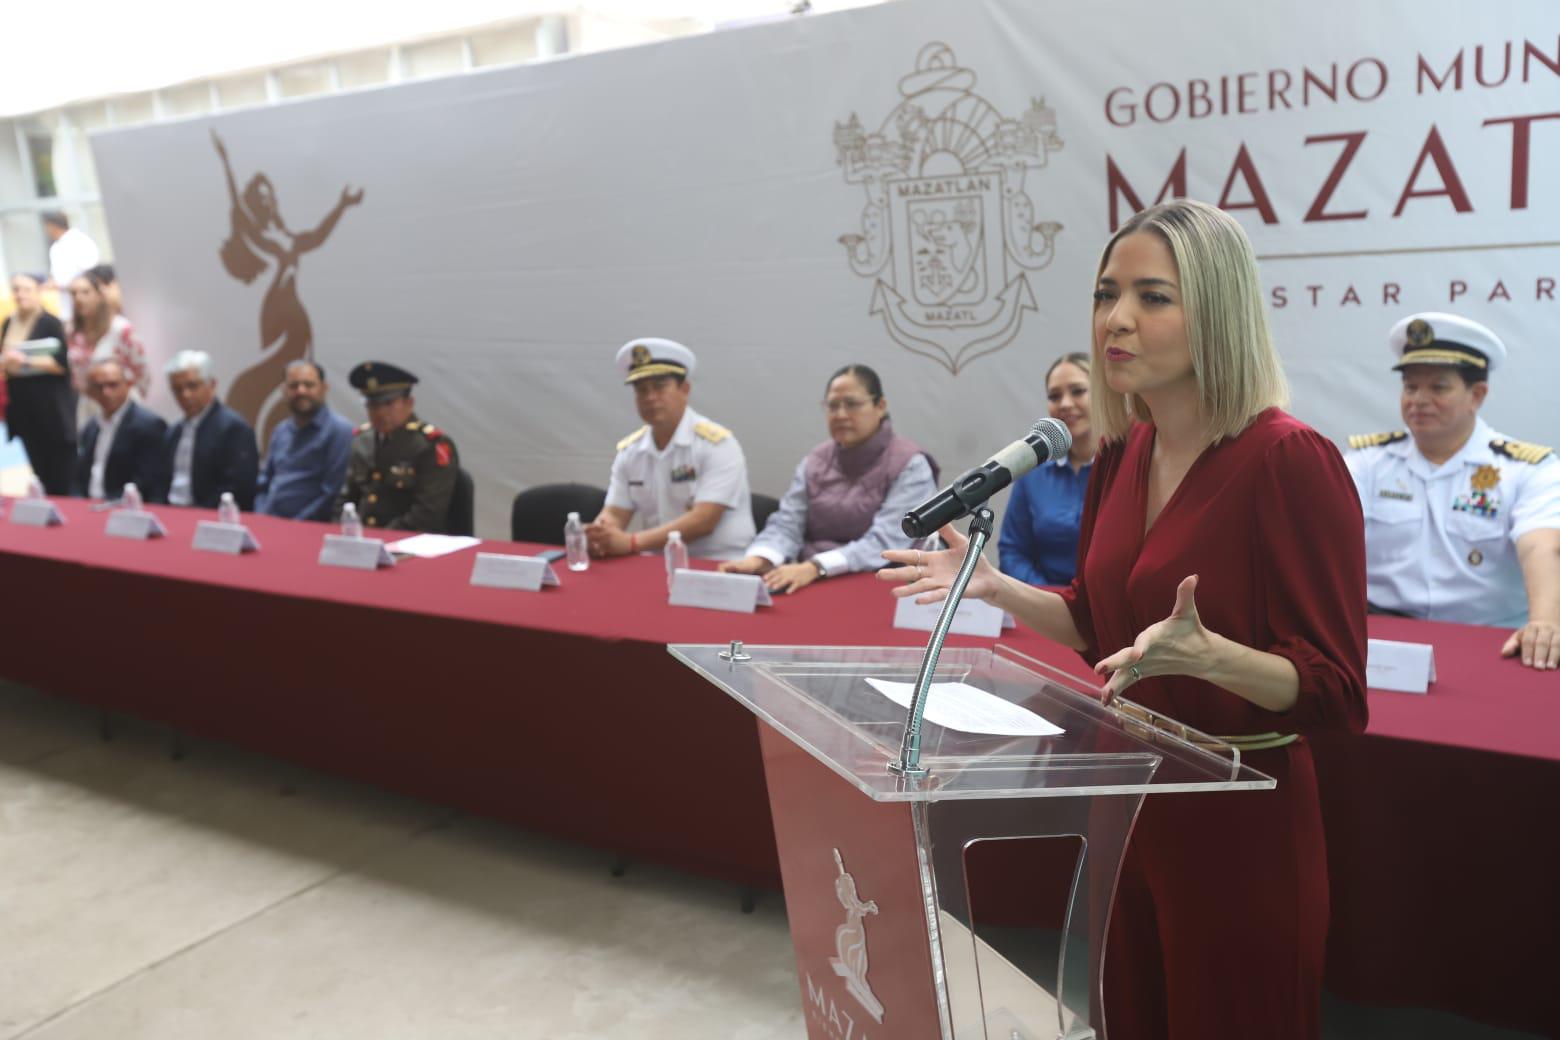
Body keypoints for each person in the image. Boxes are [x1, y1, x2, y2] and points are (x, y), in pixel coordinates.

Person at [881, 199, 1367, 1040]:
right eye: (1108, 294)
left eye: (1153, 297)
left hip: (1236, 817)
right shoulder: (1125, 451)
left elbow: (1335, 691)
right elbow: (1096, 623)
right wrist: (993, 587)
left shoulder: (1288, 459)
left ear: (1216, 310)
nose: (1117, 319)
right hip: (1128, 796)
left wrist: (1213, 659)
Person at [1345, 313, 1559, 670]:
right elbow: (1323, 539)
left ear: (1477, 395)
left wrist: (1545, 622)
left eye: (1438, 387)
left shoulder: (1528, 468)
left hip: (1488, 641)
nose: (1418, 399)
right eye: (1411, 387)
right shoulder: (1367, 462)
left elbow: (1542, 545)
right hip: (1380, 639)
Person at [718, 364, 936, 593]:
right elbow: (787, 523)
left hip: (885, 584)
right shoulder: (815, 461)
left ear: (880, 406)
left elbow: (885, 542)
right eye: (833, 406)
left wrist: (817, 566)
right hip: (810, 581)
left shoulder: (911, 464)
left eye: (852, 404)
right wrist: (760, 558)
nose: (841, 414)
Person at [586, 338, 754, 560]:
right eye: (642, 390)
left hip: (717, 563)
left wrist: (631, 542)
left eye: (660, 387)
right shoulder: (630, 451)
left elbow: (704, 521)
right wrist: (600, 533)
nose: (650, 398)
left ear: (685, 389)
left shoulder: (717, 444)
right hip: (656, 562)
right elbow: (616, 512)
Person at [999, 351, 1096, 584]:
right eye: (1054, 396)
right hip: (1046, 609)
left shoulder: (1131, 464)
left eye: (1078, 391)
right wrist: (1049, 597)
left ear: (1103, 393)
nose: (1065, 404)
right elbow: (1012, 552)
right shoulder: (1033, 471)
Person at [334, 361, 459, 531]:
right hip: (363, 539)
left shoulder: (430, 444)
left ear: (409, 403)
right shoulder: (363, 440)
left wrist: (382, 539)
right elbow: (347, 498)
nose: (380, 412)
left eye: (389, 403)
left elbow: (426, 514)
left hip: (410, 543)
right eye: (373, 405)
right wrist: (340, 531)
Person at [1, 273, 75, 494]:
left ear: (38, 291)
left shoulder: (50, 322)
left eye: (26, 289)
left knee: (60, 464)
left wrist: (26, 360)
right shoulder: (8, 323)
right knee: (37, 462)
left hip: (50, 405)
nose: (21, 294)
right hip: (22, 406)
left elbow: (63, 364)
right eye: (16, 289)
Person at [255, 359, 354, 522]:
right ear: (284, 390)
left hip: (310, 528)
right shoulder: (280, 430)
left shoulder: (340, 431)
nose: (301, 391)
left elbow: (331, 494)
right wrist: (261, 515)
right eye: (293, 386)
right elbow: (265, 482)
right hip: (270, 522)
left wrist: (296, 525)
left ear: (324, 388)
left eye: (309, 385)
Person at [162, 350, 260, 511]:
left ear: (212, 385)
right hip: (171, 513)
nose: (185, 395)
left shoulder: (233, 429)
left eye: (192, 386)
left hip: (208, 515)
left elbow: (239, 489)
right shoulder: (173, 432)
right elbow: (161, 482)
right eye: (177, 389)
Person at [73, 359, 168, 501]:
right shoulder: (91, 427)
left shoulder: (149, 425)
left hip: (125, 508)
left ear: (128, 385)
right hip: (89, 504)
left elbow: (148, 481)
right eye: (99, 387)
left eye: (113, 385)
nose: (106, 392)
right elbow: (80, 477)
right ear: (91, 392)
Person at [66, 270, 148, 406]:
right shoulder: (73, 333)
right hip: (90, 402)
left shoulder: (120, 329)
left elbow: (141, 370)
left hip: (122, 402)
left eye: (85, 292)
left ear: (99, 295)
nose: (79, 298)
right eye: (74, 293)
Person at [43, 211, 99, 322]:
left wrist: (62, 283)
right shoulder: (56, 246)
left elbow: (90, 271)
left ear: (52, 226)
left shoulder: (80, 241)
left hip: (84, 301)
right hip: (66, 305)